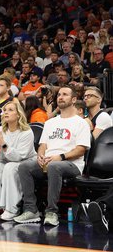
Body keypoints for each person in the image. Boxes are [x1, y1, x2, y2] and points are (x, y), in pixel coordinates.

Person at [14, 86, 91, 226]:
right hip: (49, 161)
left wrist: (60, 157)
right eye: (59, 94)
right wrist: (40, 156)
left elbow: (80, 150)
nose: (60, 97)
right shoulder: (50, 122)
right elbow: (42, 145)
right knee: (25, 166)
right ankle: (31, 210)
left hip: (72, 164)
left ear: (74, 99)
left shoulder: (81, 122)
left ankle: (51, 212)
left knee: (55, 166)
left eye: (65, 94)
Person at [0, 101, 36, 221]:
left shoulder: (27, 132)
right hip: (8, 161)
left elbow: (18, 157)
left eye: (11, 110)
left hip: (26, 163)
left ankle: (12, 209)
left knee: (10, 167)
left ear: (18, 114)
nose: (6, 112)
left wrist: (2, 143)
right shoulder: (0, 130)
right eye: (5, 110)